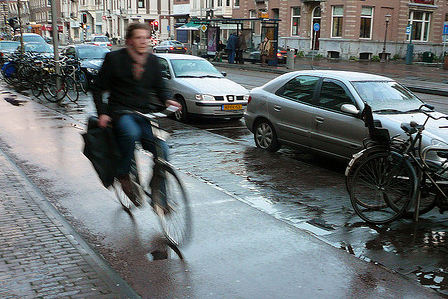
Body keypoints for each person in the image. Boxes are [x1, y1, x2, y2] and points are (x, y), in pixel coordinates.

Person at [90, 23, 181, 206]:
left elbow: (161, 87)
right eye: (138, 38)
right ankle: (123, 173)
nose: (143, 42)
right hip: (121, 112)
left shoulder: (153, 61)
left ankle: (159, 196)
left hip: (144, 113)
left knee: (162, 150)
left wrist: (168, 100)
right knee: (130, 133)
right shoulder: (114, 59)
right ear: (129, 41)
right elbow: (98, 88)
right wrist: (103, 114)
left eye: (145, 38)